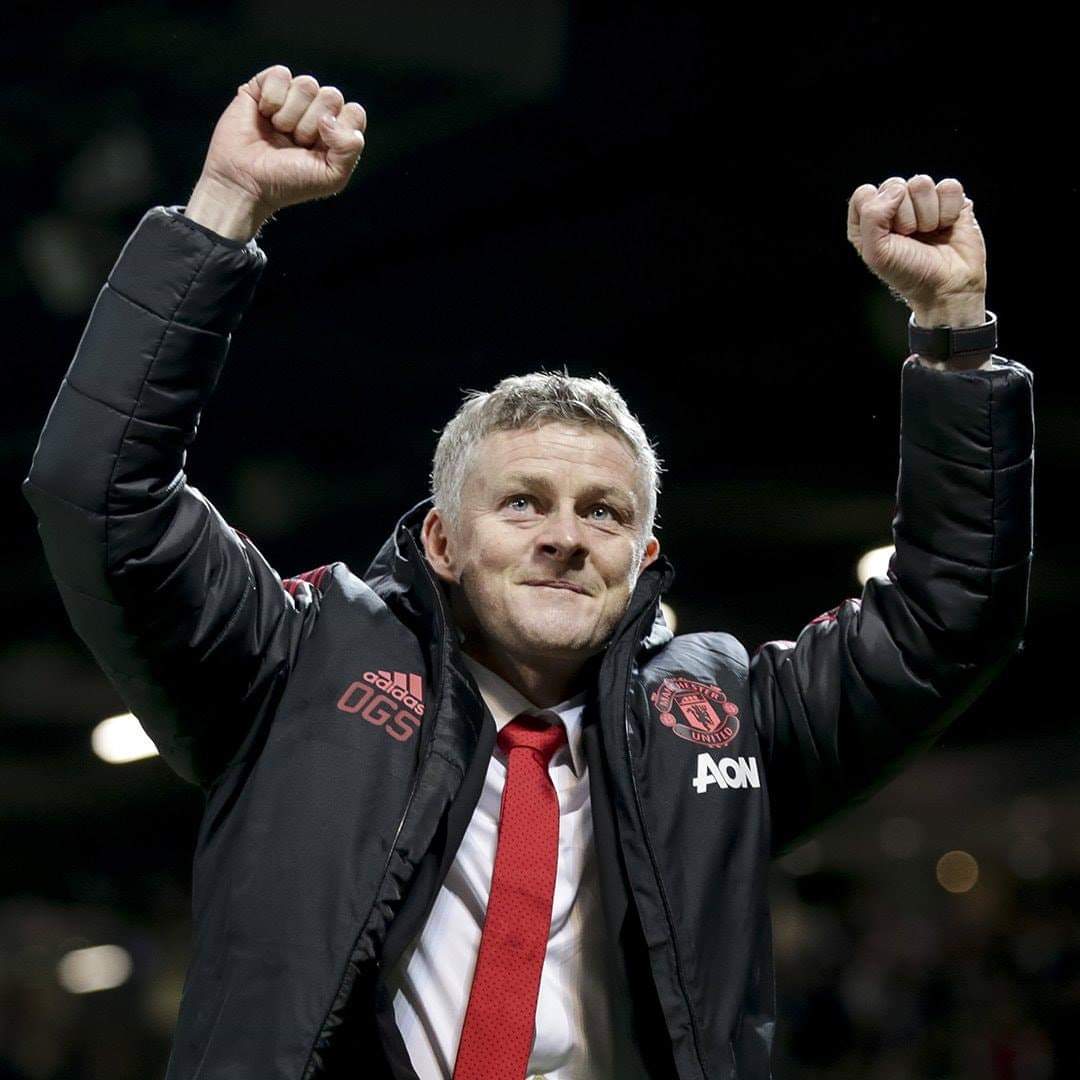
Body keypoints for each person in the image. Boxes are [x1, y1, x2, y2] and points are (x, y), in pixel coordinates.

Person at [22, 64, 1034, 1080]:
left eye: (604, 513)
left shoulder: (730, 720)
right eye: (522, 503)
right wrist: (225, 206)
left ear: (641, 560)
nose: (565, 537)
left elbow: (949, 615)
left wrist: (955, 336)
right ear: (441, 542)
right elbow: (100, 496)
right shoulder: (294, 666)